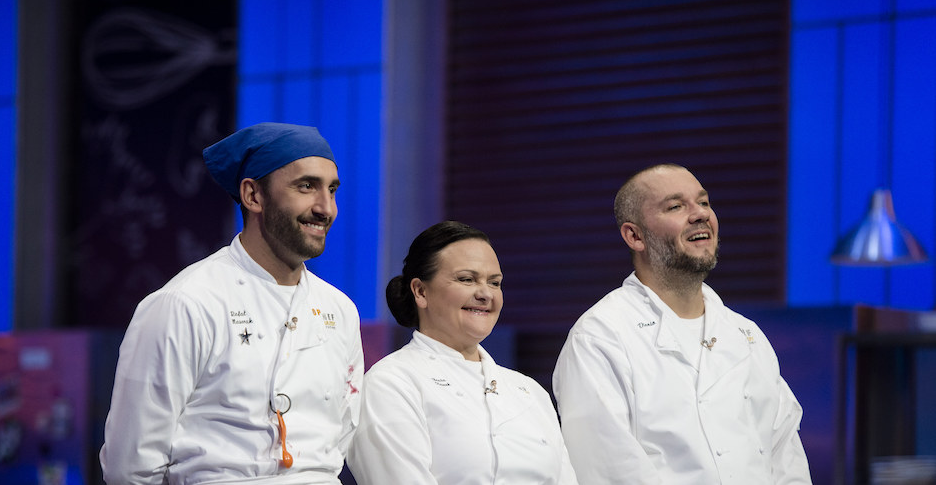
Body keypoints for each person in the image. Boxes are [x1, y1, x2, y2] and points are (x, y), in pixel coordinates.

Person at [100, 122, 363, 485]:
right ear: (253, 195)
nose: (326, 208)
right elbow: (129, 467)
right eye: (306, 186)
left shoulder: (340, 310)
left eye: (332, 190)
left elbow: (343, 434)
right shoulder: (185, 304)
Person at [552, 163, 812, 484]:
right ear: (635, 236)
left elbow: (786, 456)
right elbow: (609, 469)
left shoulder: (747, 336)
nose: (700, 214)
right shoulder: (600, 337)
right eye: (676, 206)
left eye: (703, 202)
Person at [346, 221, 578, 485]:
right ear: (420, 291)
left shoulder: (531, 391)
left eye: (495, 283)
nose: (485, 294)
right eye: (467, 279)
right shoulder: (391, 383)